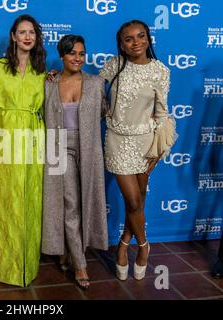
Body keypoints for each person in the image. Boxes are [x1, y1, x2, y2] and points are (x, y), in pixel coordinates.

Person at [99, 20, 177, 281]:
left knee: (139, 200)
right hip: (117, 140)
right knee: (133, 200)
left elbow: (162, 112)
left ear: (148, 38)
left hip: (145, 143)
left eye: (140, 36)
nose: (136, 42)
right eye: (129, 39)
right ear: (121, 44)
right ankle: (144, 248)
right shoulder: (114, 65)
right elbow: (92, 90)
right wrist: (57, 77)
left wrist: (158, 150)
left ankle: (124, 242)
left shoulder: (160, 71)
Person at [42, 35, 108, 290]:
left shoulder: (95, 82)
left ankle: (70, 252)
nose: (78, 58)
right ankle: (80, 263)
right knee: (70, 202)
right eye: (72, 53)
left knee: (87, 199)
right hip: (59, 146)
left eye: (81, 53)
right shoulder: (49, 83)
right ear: (62, 55)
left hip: (89, 146)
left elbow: (104, 112)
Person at [0, 14, 46, 286]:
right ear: (13, 36)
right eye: (22, 32)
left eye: (31, 32)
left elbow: (48, 108)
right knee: (5, 201)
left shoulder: (42, 70)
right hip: (3, 137)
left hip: (35, 138)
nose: (27, 37)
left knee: (31, 200)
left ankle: (28, 265)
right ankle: (6, 267)